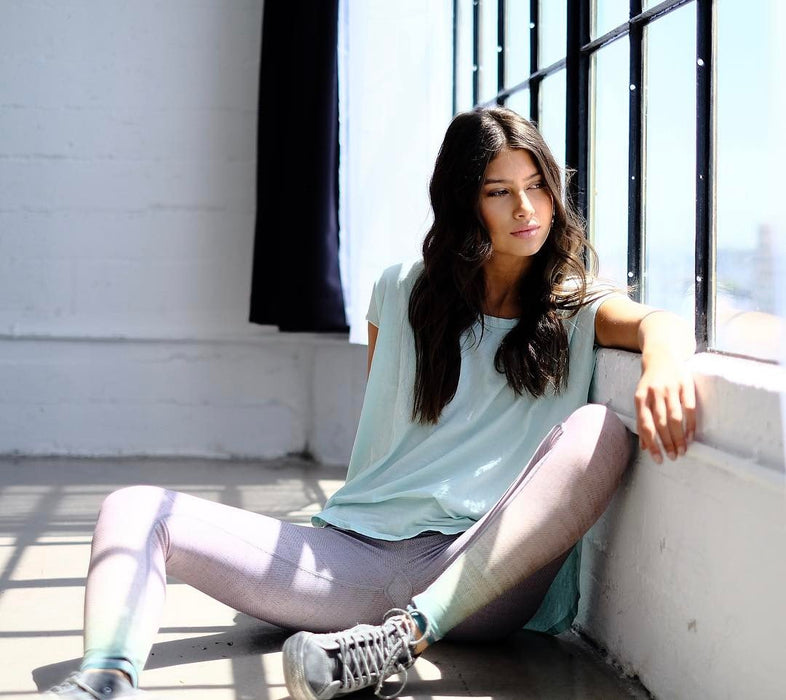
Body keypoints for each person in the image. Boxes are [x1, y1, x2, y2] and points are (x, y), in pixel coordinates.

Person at [43, 108, 696, 700]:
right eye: (500, 192)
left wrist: (663, 366)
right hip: (356, 556)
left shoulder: (575, 307)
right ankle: (102, 681)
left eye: (538, 186)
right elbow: (387, 439)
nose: (527, 208)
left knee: (601, 430)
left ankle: (402, 638)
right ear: (465, 203)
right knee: (134, 509)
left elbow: (655, 324)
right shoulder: (401, 293)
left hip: (481, 574)